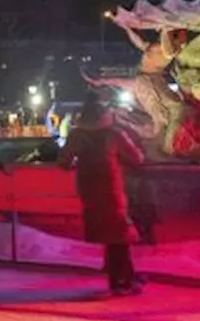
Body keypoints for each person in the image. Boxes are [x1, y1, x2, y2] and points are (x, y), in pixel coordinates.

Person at [59, 92, 146, 296]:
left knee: (110, 236)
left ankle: (122, 277)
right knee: (119, 235)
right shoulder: (113, 134)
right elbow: (137, 158)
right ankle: (122, 280)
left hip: (89, 191)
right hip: (111, 189)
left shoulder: (77, 135)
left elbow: (63, 162)